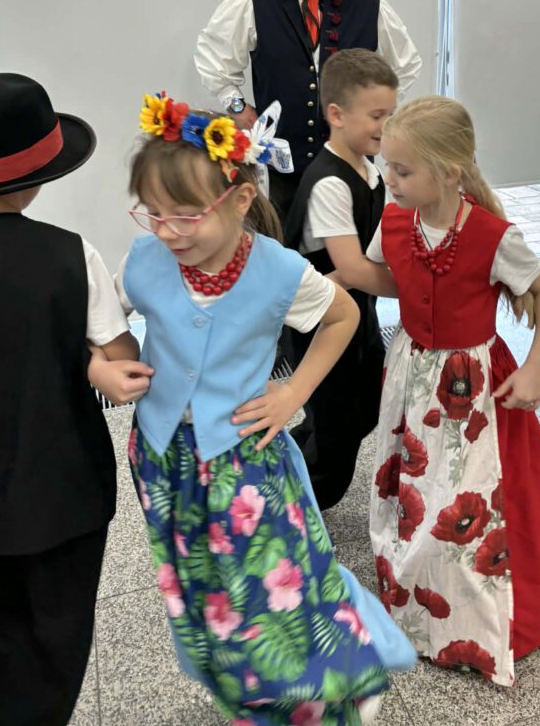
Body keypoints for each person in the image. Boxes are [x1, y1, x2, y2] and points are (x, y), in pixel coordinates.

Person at [89, 92, 416, 725]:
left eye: (186, 215)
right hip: (164, 460)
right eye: (153, 213)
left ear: (239, 200)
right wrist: (100, 366)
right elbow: (105, 328)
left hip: (246, 460)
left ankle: (334, 683)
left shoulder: (279, 270)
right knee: (206, 591)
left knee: (274, 588)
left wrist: (294, 392)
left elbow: (343, 316)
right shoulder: (145, 260)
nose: (167, 231)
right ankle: (248, 689)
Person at [332, 97, 540, 687]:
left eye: (402, 170)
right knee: (412, 486)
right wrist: (334, 276)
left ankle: (475, 615)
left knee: (468, 498)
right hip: (411, 374)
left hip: (471, 389)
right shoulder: (394, 220)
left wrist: (536, 367)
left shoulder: (494, 236)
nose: (388, 179)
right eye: (387, 165)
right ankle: (415, 597)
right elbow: (390, 278)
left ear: (450, 172)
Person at [0, 73, 140, 724]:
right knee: (50, 634)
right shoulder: (71, 256)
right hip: (60, 491)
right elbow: (121, 359)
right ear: (36, 179)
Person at [194, 0, 422, 219]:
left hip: (351, 170)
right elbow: (213, 59)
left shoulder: (370, 6)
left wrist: (375, 117)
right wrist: (237, 107)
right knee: (280, 246)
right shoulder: (255, 1)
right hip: (278, 174)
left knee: (351, 248)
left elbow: (405, 66)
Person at [283, 50, 397, 510]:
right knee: (337, 429)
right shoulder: (330, 182)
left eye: (390, 114)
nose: (385, 127)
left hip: (357, 314)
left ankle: (284, 461)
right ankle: (298, 511)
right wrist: (417, 291)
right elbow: (351, 269)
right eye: (376, 116)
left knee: (366, 404)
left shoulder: (368, 171)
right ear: (336, 115)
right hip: (322, 326)